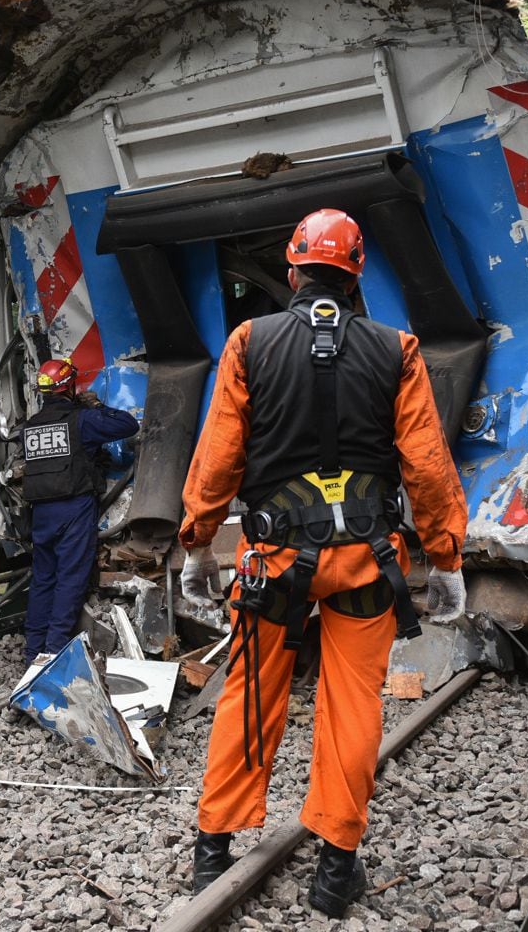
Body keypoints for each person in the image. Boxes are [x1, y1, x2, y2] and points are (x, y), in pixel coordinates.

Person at [178, 208, 469, 915]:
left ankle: (213, 847)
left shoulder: (250, 342)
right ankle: (336, 869)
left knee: (250, 691)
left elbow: (217, 458)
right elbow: (427, 466)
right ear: (357, 271)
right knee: (351, 706)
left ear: (292, 270)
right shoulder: (397, 350)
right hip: (368, 560)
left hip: (273, 561)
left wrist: (196, 542)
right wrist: (447, 557)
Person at [18, 357, 139, 665]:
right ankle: (54, 650)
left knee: (44, 578)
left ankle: (33, 651)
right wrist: (96, 406)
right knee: (71, 577)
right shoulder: (82, 420)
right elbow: (128, 424)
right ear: (70, 386)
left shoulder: (30, 428)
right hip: (73, 508)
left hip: (40, 513)